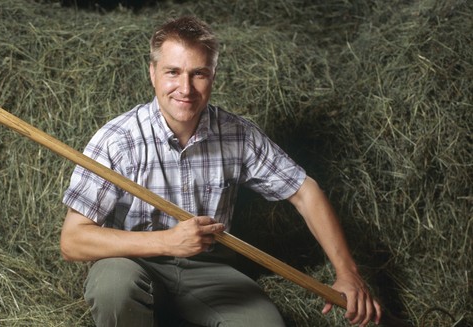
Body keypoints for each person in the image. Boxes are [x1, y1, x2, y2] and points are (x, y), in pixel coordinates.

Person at [60, 16, 382, 327]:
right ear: (153, 73)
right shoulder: (118, 140)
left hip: (211, 269)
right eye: (173, 72)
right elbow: (73, 240)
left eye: (198, 73)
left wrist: (348, 272)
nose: (185, 88)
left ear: (213, 76)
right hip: (135, 265)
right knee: (112, 285)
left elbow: (304, 191)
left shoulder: (237, 134)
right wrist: (167, 242)